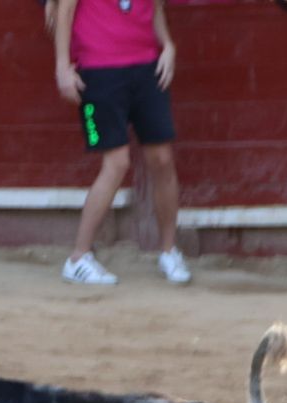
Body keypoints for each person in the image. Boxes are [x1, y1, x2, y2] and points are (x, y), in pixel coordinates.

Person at [54, 0, 191, 286]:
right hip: (98, 72)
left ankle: (169, 251)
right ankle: (78, 258)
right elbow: (64, 9)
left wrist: (168, 45)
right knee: (116, 163)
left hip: (147, 69)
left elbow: (156, 8)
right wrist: (62, 66)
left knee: (162, 160)